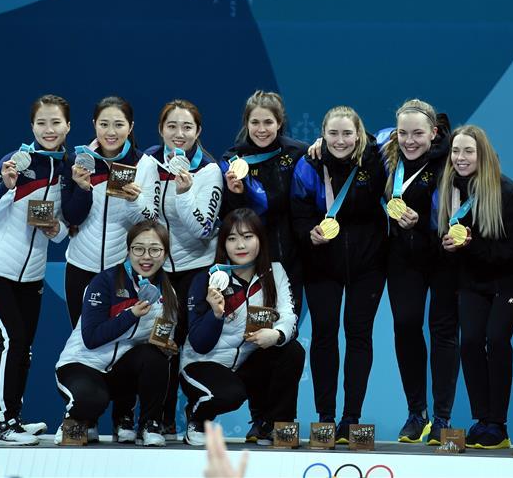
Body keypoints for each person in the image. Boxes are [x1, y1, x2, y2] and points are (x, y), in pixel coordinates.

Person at [0, 94, 71, 445]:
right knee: (12, 341)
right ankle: (1, 425)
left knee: (24, 347)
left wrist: (53, 229)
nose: (49, 129)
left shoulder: (69, 169)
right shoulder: (14, 162)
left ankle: (13, 417)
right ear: (32, 126)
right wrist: (8, 189)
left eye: (55, 122)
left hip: (31, 276)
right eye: (41, 122)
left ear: (67, 126)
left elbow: (62, 234)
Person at [290, 105, 387, 443]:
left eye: (347, 133)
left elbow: (422, 136)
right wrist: (309, 234)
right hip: (322, 267)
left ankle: (351, 419)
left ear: (359, 134)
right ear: (323, 134)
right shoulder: (309, 165)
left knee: (359, 337)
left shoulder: (375, 160)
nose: (340, 140)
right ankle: (326, 418)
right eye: (333, 133)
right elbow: (298, 214)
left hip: (368, 266)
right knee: (324, 336)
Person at [134, 99, 224, 437]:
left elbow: (203, 230)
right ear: (160, 130)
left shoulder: (209, 170)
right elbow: (144, 216)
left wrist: (184, 194)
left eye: (187, 127)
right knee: (158, 343)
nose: (179, 134)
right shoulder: (149, 163)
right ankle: (157, 418)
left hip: (196, 269)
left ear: (198, 131)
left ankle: (196, 417)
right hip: (156, 269)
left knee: (191, 345)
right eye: (172, 126)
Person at [180, 208, 304, 446]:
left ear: (260, 239)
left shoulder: (274, 272)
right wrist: (215, 314)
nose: (240, 245)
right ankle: (197, 417)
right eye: (232, 238)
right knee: (231, 394)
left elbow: (289, 316)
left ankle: (273, 424)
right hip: (202, 364)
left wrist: (276, 335)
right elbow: (199, 343)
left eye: (248, 237)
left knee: (291, 351)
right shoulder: (206, 279)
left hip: (243, 364)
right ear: (223, 243)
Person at [435, 125, 513, 449]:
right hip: (472, 281)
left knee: (496, 339)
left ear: (482, 154)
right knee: (470, 342)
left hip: (509, 280)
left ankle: (498, 424)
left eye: (468, 151)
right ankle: (481, 419)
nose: (460, 158)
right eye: (456, 151)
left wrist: (469, 246)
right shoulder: (449, 189)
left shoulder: (507, 192)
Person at [376, 99, 458, 445]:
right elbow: (349, 142)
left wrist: (423, 223)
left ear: (434, 133)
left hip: (442, 258)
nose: (410, 141)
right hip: (402, 259)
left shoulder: (450, 161)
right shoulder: (386, 155)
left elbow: (459, 211)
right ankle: (416, 413)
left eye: (418, 134)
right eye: (403, 133)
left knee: (442, 333)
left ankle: (442, 418)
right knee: (406, 327)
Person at [54, 221, 177, 447]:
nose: (146, 257)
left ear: (166, 254)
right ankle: (80, 419)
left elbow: (160, 338)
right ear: (128, 250)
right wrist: (131, 314)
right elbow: (91, 339)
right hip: (82, 364)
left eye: (155, 250)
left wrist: (165, 345)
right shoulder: (105, 281)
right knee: (88, 408)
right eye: (138, 249)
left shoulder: (168, 294)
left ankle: (149, 424)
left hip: (119, 374)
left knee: (155, 357)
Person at [219, 90, 307, 321]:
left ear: (279, 123)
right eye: (255, 122)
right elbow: (228, 217)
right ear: (246, 123)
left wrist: (320, 146)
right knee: (253, 325)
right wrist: (236, 195)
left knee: (287, 321)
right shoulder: (232, 160)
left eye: (268, 122)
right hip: (250, 257)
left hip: (291, 254)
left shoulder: (298, 153)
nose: (261, 129)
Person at [62, 96, 146, 328]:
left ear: (130, 127)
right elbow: (72, 217)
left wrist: (135, 201)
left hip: (121, 269)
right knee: (81, 340)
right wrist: (81, 189)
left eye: (119, 125)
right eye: (104, 124)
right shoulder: (78, 162)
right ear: (94, 124)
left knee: (118, 339)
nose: (111, 132)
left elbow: (147, 223)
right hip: (80, 267)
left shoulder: (143, 164)